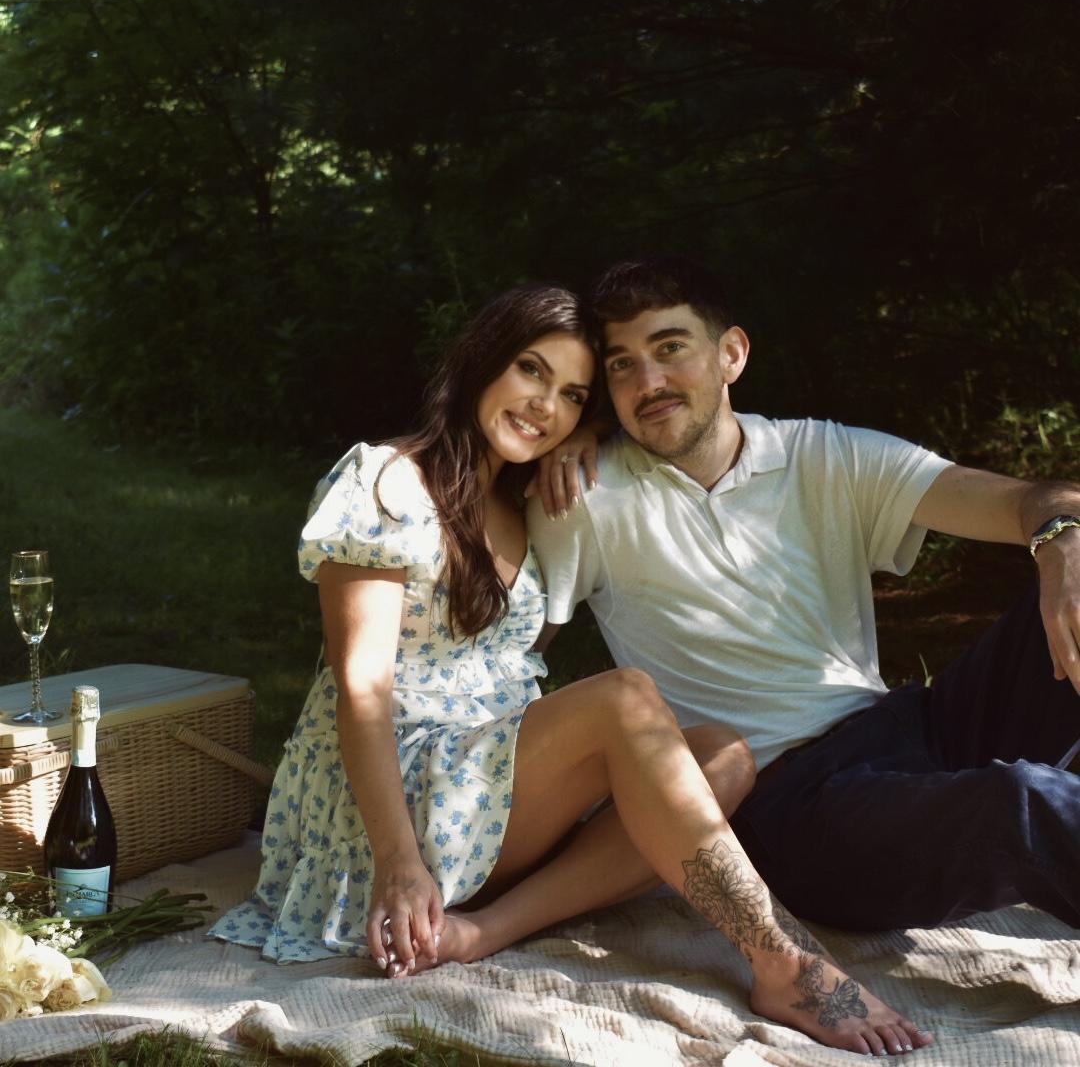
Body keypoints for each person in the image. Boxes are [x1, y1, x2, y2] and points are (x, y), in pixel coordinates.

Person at [210, 283, 932, 1056]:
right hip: (389, 811)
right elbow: (361, 688)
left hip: (479, 792)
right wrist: (398, 864)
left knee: (722, 755)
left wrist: (587, 437)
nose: (543, 405)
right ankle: (782, 959)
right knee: (626, 697)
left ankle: (482, 931)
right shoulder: (387, 481)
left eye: (572, 395)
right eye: (530, 370)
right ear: (482, 359)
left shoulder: (524, 500)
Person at [527, 256, 1080, 940]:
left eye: (670, 348)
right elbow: (508, 660)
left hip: (912, 730)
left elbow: (1034, 501)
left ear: (731, 354)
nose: (649, 382)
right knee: (1021, 804)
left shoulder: (824, 454)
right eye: (621, 365)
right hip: (793, 810)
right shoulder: (582, 497)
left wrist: (1061, 547)